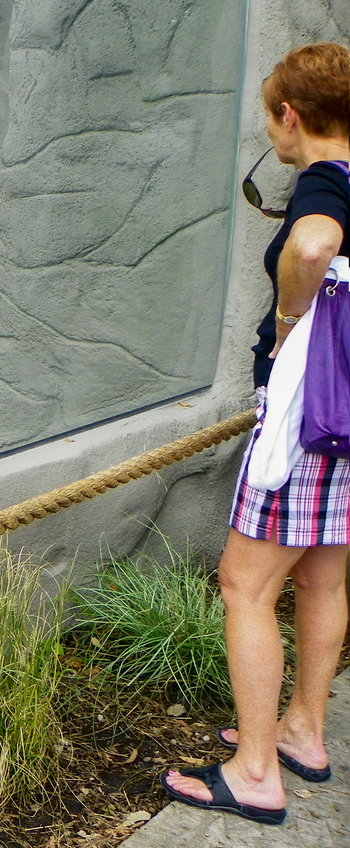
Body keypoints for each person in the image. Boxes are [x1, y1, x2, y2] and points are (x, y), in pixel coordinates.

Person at [161, 41, 350, 826]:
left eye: (269, 116)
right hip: (345, 416)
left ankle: (258, 771)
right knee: (322, 578)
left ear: (289, 115)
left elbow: (311, 246)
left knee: (246, 583)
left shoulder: (324, 181)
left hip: (309, 417)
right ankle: (303, 730)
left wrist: (287, 322)